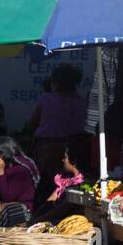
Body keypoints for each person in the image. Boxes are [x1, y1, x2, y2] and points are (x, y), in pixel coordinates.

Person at [27, 65, 88, 201]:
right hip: (75, 149)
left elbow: (32, 124)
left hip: (49, 150)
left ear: (56, 83)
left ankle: (46, 209)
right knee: (71, 184)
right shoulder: (82, 102)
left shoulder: (46, 100)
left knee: (46, 185)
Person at [0, 136, 40, 227]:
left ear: (2, 155)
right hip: (12, 204)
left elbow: (7, 197)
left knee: (6, 211)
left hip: (25, 210)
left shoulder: (20, 170)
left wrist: (0, 173)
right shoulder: (9, 167)